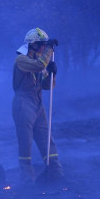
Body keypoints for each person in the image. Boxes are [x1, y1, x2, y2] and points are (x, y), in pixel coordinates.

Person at [12, 28, 65, 186]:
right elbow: (39, 64)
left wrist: (52, 74)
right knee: (25, 143)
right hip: (23, 104)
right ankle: (27, 180)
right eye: (42, 45)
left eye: (45, 45)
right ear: (33, 45)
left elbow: (47, 86)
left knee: (47, 140)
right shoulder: (21, 60)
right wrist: (49, 50)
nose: (44, 48)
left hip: (37, 104)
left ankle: (56, 173)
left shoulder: (39, 61)